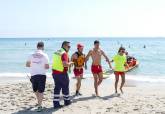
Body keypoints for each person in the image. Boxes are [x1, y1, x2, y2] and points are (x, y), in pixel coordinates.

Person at [26, 42, 49, 112]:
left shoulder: (31, 55)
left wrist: (34, 65)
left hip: (33, 74)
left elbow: (27, 65)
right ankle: (40, 106)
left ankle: (39, 102)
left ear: (37, 47)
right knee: (41, 91)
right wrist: (41, 65)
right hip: (42, 74)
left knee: (35, 90)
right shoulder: (45, 55)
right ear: (43, 47)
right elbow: (47, 67)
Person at [52, 41, 74, 109]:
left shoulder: (56, 52)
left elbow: (56, 62)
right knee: (65, 87)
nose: (69, 48)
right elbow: (64, 64)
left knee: (57, 87)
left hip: (55, 72)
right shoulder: (64, 53)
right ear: (64, 46)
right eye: (68, 46)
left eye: (70, 46)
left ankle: (56, 103)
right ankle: (67, 101)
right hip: (62, 73)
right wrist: (70, 63)